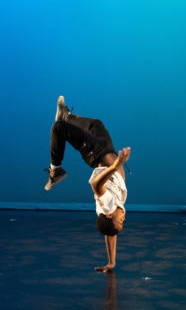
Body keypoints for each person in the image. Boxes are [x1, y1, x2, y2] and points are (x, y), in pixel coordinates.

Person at [45, 96, 131, 273]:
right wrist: (111, 262)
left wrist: (115, 166)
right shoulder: (111, 213)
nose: (123, 220)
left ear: (109, 216)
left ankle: (56, 170)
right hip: (107, 149)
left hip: (97, 154)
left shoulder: (107, 205)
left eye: (120, 222)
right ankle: (66, 114)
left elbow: (96, 184)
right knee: (96, 125)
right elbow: (111, 235)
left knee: (58, 128)